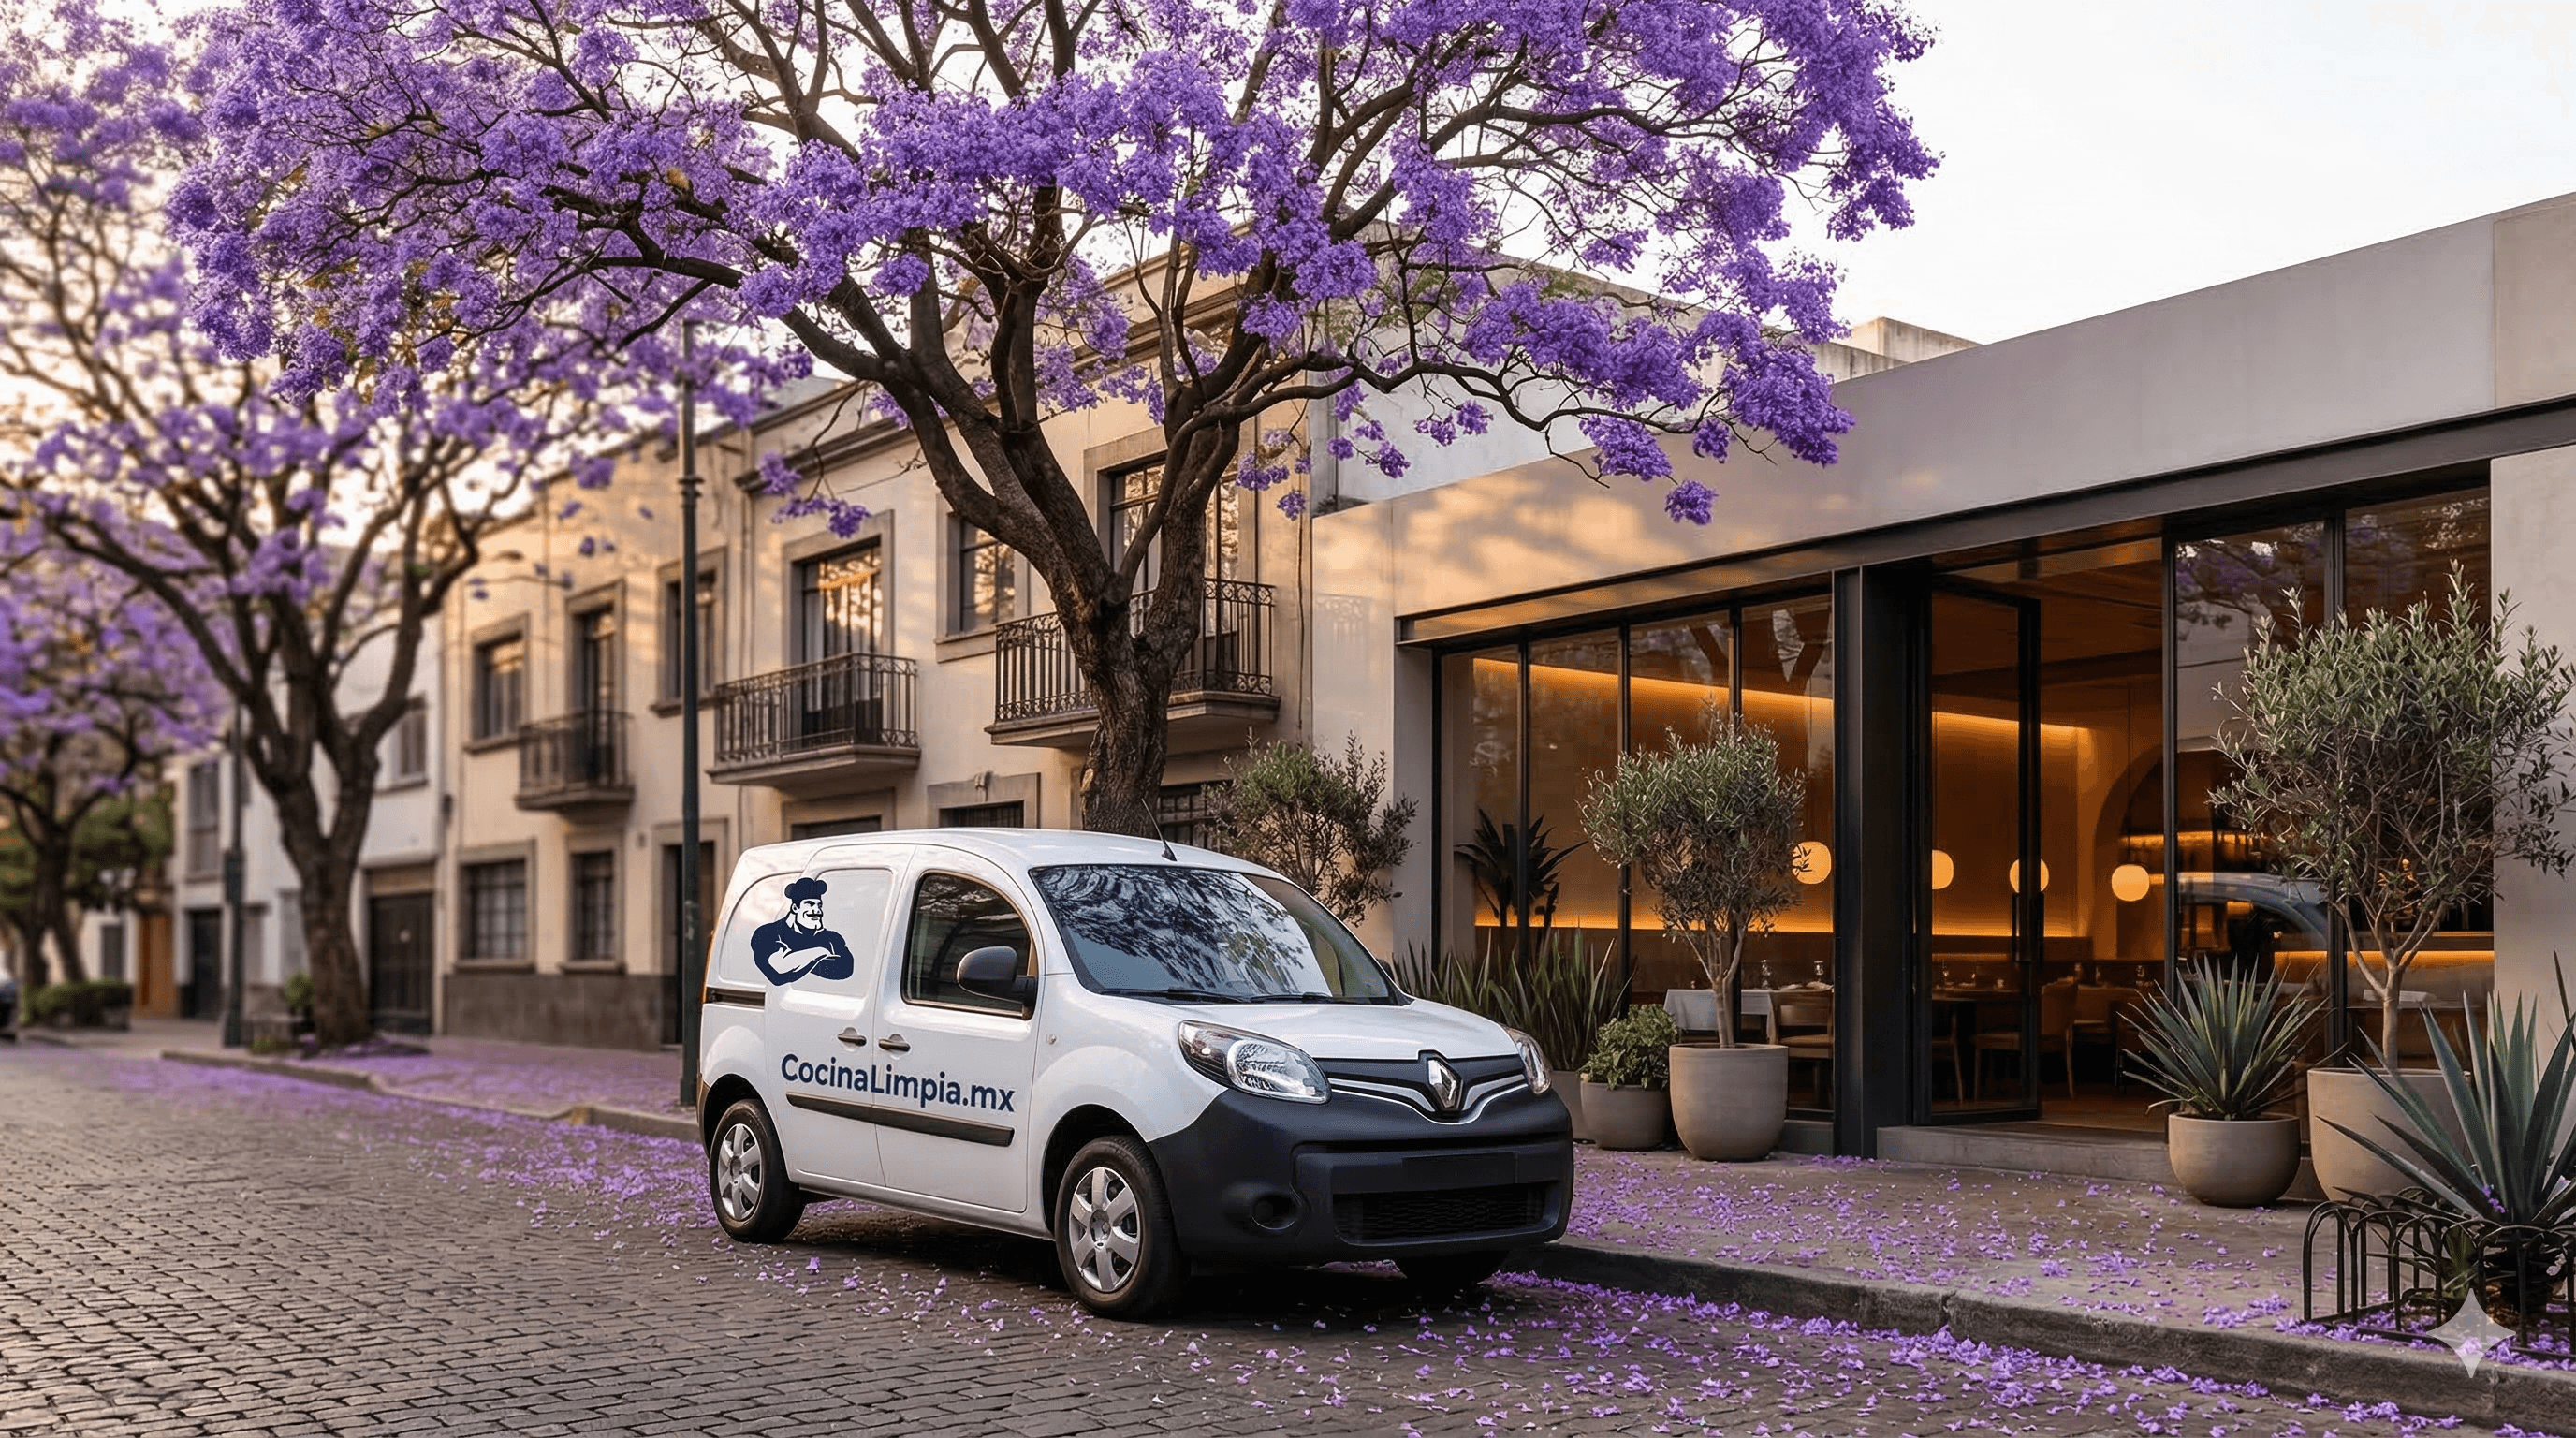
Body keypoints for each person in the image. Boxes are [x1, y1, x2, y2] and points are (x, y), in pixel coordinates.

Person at [749, 876, 856, 985]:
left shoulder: (832, 938)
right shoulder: (767, 933)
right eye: (810, 904)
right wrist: (821, 951)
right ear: (795, 908)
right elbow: (779, 971)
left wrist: (795, 960)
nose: (817, 911)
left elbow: (845, 969)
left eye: (819, 905)